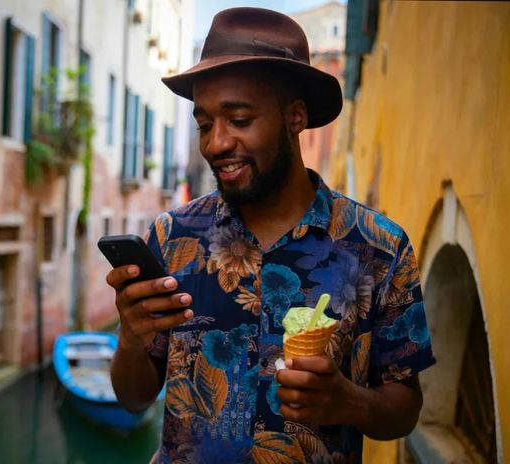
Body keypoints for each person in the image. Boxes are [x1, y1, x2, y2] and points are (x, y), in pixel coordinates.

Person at [107, 7, 435, 463]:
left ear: (295, 118)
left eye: (239, 120)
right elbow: (134, 398)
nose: (216, 143)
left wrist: (349, 401)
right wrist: (129, 337)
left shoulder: (379, 247)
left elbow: (405, 410)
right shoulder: (171, 238)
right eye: (204, 125)